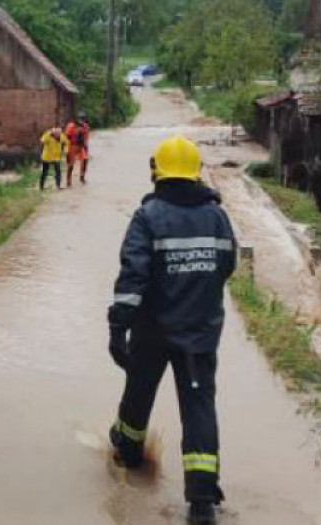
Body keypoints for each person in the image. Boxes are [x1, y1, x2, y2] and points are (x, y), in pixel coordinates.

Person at [106, 135, 237, 525]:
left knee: (139, 391)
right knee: (198, 407)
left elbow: (133, 275)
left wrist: (118, 328)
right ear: (196, 172)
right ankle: (201, 502)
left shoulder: (148, 217)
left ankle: (129, 454)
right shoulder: (217, 217)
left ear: (157, 172)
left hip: (153, 331)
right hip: (199, 332)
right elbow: (227, 265)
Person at [65, 114, 90, 186]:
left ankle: (82, 177)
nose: (81, 122)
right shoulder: (71, 126)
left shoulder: (85, 127)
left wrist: (86, 147)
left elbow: (86, 137)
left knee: (85, 160)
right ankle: (68, 180)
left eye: (82, 119)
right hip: (73, 145)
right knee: (71, 164)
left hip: (81, 146)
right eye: (80, 119)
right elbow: (67, 136)